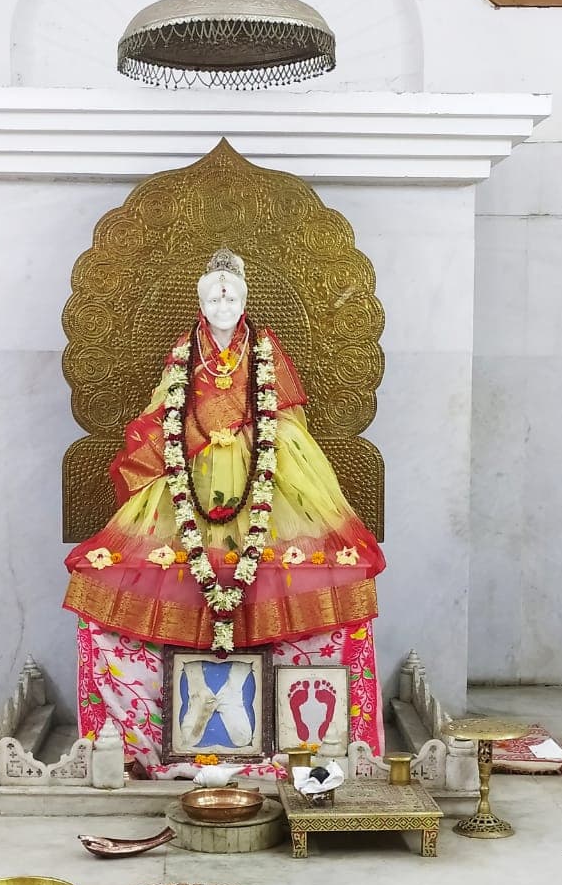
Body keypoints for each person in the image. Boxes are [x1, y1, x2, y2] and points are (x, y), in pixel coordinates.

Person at [64, 248, 385, 656]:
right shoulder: (185, 350)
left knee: (275, 549)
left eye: (231, 299)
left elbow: (287, 405)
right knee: (181, 546)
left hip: (259, 457)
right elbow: (163, 403)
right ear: (201, 304)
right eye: (214, 300)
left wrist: (253, 427)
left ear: (245, 302)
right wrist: (182, 430)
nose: (223, 307)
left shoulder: (264, 347)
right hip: (192, 459)